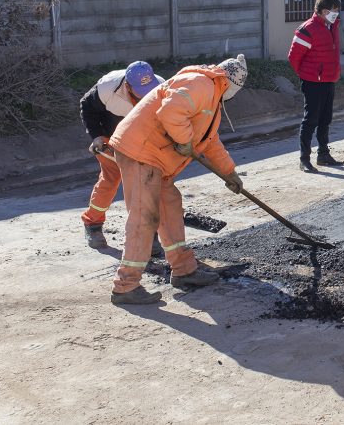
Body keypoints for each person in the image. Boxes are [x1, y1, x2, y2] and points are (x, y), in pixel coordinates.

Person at [107, 55, 248, 305]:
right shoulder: (200, 84)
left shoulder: (211, 96)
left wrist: (229, 172)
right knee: (144, 216)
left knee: (170, 204)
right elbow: (171, 112)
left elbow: (209, 140)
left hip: (154, 157)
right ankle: (125, 286)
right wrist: (183, 140)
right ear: (232, 84)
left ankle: (184, 270)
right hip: (141, 150)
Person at [78, 61, 165, 251]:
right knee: (111, 179)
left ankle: (148, 234)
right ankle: (92, 224)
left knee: (144, 183)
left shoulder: (160, 87)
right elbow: (87, 107)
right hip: (111, 137)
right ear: (127, 85)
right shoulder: (108, 87)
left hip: (141, 138)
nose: (144, 95)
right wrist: (97, 136)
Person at [289, 0, 344, 173]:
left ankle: (323, 154)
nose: (335, 13)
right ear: (321, 11)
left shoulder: (333, 26)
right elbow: (294, 57)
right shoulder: (307, 29)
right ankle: (304, 159)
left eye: (337, 10)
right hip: (313, 81)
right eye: (331, 10)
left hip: (329, 79)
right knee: (310, 119)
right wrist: (307, 74)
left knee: (325, 118)